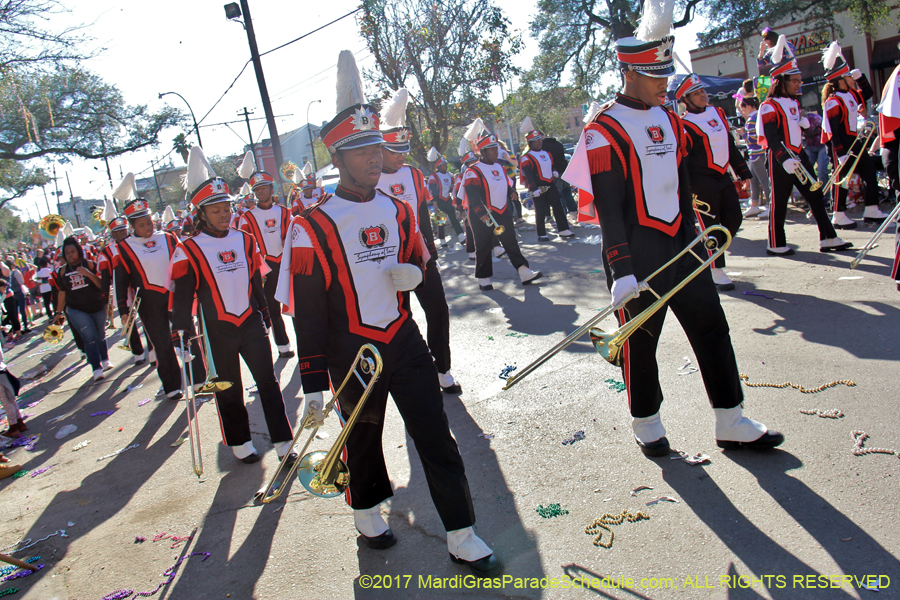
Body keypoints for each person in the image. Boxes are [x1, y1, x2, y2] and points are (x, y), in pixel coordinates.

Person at [276, 50, 501, 577]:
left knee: (435, 432)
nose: (375, 158)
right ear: (338, 158)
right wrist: (312, 382)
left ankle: (462, 531)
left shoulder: (400, 210)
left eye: (377, 147)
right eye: (361, 151)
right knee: (363, 437)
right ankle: (366, 511)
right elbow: (307, 312)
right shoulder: (310, 225)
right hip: (350, 348)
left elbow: (419, 264)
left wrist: (416, 275)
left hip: (403, 338)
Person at [563, 1, 783, 455]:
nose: (665, 83)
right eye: (655, 76)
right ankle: (646, 421)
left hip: (683, 240)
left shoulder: (669, 117)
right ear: (630, 72)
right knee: (641, 343)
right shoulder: (602, 129)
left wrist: (699, 231)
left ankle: (731, 419)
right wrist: (620, 270)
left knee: (712, 326)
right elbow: (609, 209)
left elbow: (682, 185)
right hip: (637, 249)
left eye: (665, 74)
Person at [171, 146, 296, 465]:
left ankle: (284, 443)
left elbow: (257, 282)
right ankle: (241, 442)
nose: (224, 214)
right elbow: (182, 297)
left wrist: (265, 315)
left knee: (268, 383)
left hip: (251, 323)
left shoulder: (244, 239)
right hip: (217, 330)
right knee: (228, 388)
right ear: (201, 214)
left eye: (226, 207)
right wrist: (180, 334)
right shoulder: (188, 248)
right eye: (215, 210)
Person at [378, 89, 462, 394]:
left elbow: (422, 214)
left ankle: (442, 369)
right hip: (387, 259)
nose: (401, 155)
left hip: (419, 253)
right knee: (400, 319)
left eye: (404, 149)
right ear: (380, 149)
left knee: (438, 309)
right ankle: (412, 372)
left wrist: (431, 251)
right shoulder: (369, 178)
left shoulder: (414, 174)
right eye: (394, 151)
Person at [758, 39, 852, 255]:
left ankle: (828, 238)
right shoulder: (768, 105)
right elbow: (772, 137)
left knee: (815, 196)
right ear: (781, 81)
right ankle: (775, 243)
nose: (798, 84)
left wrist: (801, 125)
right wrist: (784, 159)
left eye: (799, 81)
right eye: (794, 81)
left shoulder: (794, 103)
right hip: (780, 159)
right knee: (779, 202)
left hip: (799, 155)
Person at [115, 176, 205, 399]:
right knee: (161, 343)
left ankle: (199, 381)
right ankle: (172, 386)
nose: (147, 227)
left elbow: (183, 264)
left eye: (149, 222)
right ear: (132, 226)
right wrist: (123, 309)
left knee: (187, 335)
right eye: (141, 224)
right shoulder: (124, 247)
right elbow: (121, 281)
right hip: (148, 302)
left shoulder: (169, 238)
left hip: (175, 296)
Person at [676, 73, 751, 291]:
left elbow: (729, 144)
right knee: (711, 227)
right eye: (696, 93)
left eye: (702, 91)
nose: (703, 95)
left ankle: (706, 253)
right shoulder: (683, 125)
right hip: (700, 183)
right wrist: (686, 190)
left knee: (734, 217)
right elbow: (683, 161)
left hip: (723, 176)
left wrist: (743, 172)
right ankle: (716, 269)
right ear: (686, 100)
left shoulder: (718, 112)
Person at [464, 119, 543, 290]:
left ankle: (524, 271)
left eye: (496, 148)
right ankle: (483, 278)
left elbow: (505, 183)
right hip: (482, 215)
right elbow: (472, 195)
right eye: (492, 149)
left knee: (511, 242)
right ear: (483, 152)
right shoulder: (473, 171)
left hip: (502, 211)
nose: (496, 151)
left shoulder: (499, 166)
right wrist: (481, 213)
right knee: (483, 246)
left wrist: (511, 191)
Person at [821, 42, 887, 229]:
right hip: (839, 143)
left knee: (869, 172)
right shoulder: (833, 101)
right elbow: (833, 130)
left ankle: (872, 209)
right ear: (841, 79)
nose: (851, 78)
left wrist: (861, 78)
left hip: (853, 140)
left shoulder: (851, 94)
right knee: (841, 179)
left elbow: (868, 92)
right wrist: (840, 152)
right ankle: (838, 214)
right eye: (849, 75)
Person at [236, 151, 295, 358]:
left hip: (286, 264)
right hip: (265, 268)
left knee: (295, 305)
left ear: (272, 189)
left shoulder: (285, 212)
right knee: (272, 309)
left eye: (264, 188)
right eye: (257, 189)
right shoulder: (247, 217)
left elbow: (293, 237)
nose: (260, 192)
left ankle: (306, 344)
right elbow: (244, 246)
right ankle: (283, 346)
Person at [52, 237, 112, 381]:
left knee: (100, 334)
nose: (70, 255)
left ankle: (105, 360)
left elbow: (102, 285)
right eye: (67, 253)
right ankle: (96, 368)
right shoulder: (62, 271)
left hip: (96, 305)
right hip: (76, 309)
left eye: (73, 251)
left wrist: (88, 274)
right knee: (89, 336)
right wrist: (58, 313)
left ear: (79, 251)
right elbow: (62, 293)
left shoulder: (90, 264)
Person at [98, 212, 149, 365]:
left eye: (124, 230)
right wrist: (105, 299)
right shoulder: (107, 251)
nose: (122, 234)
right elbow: (105, 276)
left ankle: (153, 350)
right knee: (128, 320)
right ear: (112, 234)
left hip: (141, 284)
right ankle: (138, 352)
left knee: (148, 317)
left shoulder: (138, 241)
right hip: (123, 290)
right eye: (118, 231)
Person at [518, 117, 575, 242]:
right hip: (537, 186)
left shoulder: (546, 153)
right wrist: (534, 188)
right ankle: (541, 233)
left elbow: (551, 164)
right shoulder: (526, 157)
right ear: (530, 143)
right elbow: (529, 174)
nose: (539, 142)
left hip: (550, 184)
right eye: (535, 141)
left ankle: (563, 229)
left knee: (558, 206)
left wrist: (554, 170)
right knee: (540, 211)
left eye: (539, 140)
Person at [738, 95, 770, 217]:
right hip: (757, 154)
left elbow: (753, 138)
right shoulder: (758, 116)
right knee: (754, 181)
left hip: (757, 153)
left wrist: (743, 134)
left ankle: (769, 206)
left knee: (764, 181)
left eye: (743, 107)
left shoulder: (752, 119)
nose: (742, 110)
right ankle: (754, 205)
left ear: (749, 106)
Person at [427, 148, 466, 245]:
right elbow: (433, 191)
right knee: (441, 220)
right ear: (439, 166)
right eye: (444, 165)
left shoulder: (450, 175)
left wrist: (453, 191)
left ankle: (461, 236)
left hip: (448, 199)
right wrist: (435, 204)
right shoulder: (434, 176)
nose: (446, 166)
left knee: (454, 218)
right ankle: (442, 240)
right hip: (439, 201)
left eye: (446, 164)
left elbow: (452, 188)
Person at [0, 344, 24, 438]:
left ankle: (13, 427)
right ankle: (19, 422)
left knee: (6, 401)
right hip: (2, 370)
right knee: (10, 399)